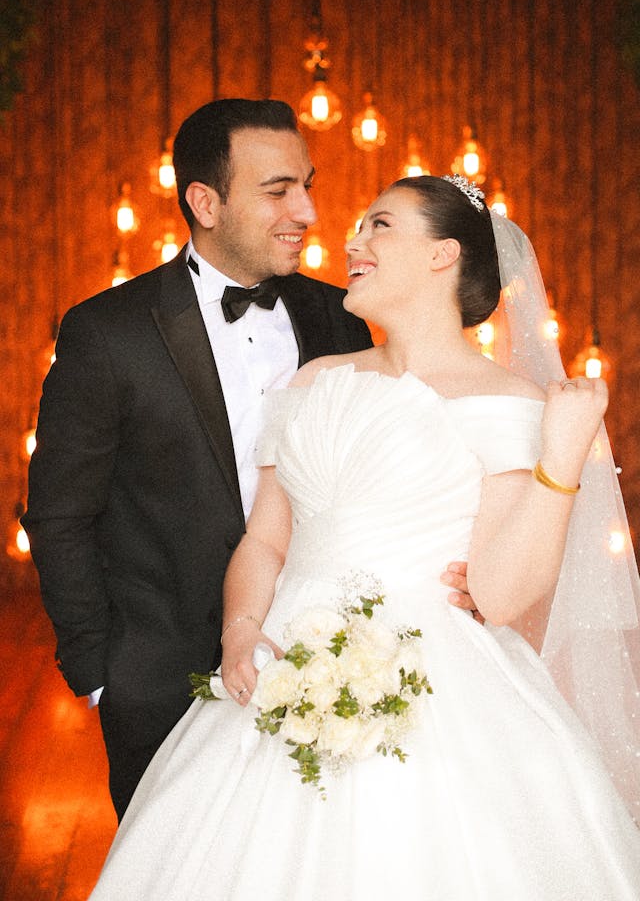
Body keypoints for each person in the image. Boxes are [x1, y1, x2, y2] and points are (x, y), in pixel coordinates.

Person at [88, 174, 640, 899]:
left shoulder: (511, 402)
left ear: (444, 255)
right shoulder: (313, 381)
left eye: (379, 225)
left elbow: (501, 595)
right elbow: (264, 543)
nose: (351, 241)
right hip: (287, 658)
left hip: (438, 677)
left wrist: (562, 456)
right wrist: (241, 628)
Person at [23, 98, 376, 822]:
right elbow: (60, 514)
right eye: (278, 191)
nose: (307, 211)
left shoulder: (344, 316)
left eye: (307, 184)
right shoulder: (106, 332)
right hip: (160, 682)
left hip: (327, 660)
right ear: (205, 201)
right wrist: (99, 672)